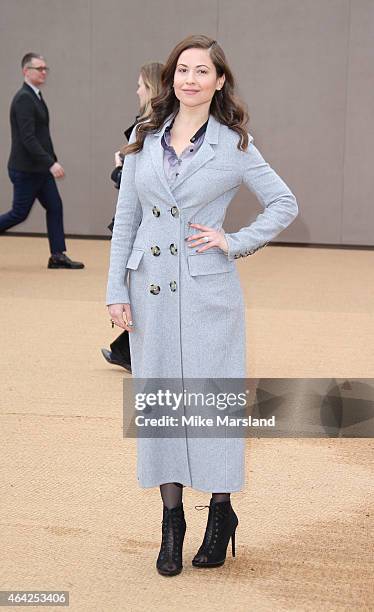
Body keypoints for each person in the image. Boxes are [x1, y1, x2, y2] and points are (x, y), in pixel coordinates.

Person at [106, 34, 298, 577]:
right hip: (150, 291)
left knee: (212, 404)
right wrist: (115, 289)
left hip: (209, 290)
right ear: (172, 79)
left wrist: (232, 240)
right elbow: (127, 220)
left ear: (219, 82)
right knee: (162, 401)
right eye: (182, 70)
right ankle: (171, 522)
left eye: (201, 71)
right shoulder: (144, 137)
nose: (190, 79)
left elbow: (284, 202)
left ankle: (220, 512)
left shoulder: (235, 144)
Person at [101, 63, 163, 373]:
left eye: (140, 84)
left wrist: (119, 168)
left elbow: (137, 182)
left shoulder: (149, 126)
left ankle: (125, 349)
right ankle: (124, 348)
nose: (137, 90)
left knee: (146, 288)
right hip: (139, 223)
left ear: (150, 88)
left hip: (147, 227)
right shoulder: (146, 126)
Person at [0, 53, 84, 269]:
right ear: (26, 71)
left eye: (46, 68)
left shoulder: (35, 96)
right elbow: (27, 138)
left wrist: (49, 161)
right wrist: (51, 163)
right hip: (26, 169)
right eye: (39, 68)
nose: (44, 72)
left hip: (39, 170)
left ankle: (57, 256)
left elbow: (42, 135)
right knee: (19, 213)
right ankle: (57, 255)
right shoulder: (23, 99)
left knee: (55, 206)